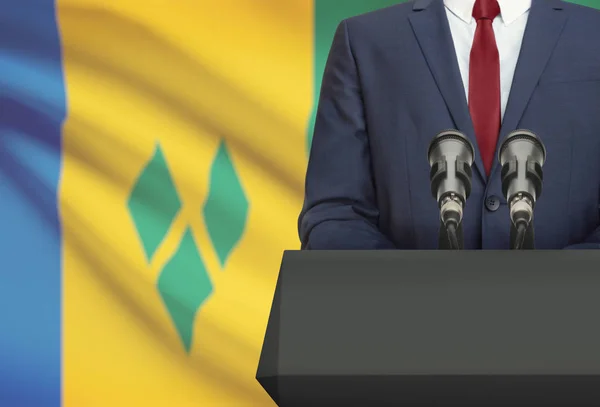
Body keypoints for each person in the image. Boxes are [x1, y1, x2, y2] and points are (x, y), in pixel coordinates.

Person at [298, 0, 600, 250]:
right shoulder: (366, 41)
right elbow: (335, 213)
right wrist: (413, 292)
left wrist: (559, 286)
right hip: (403, 316)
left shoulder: (593, 35)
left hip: (571, 314)